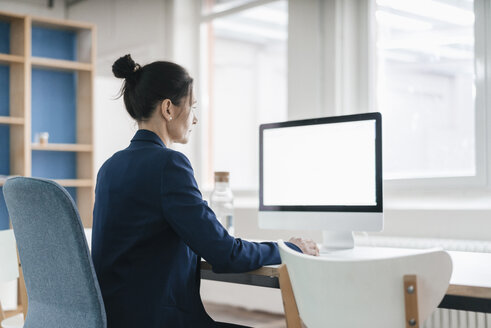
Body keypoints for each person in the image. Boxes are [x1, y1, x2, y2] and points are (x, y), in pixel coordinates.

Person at [91, 54, 319, 328]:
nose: (195, 119)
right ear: (168, 109)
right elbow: (224, 253)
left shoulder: (110, 167)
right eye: (193, 107)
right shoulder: (169, 164)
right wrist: (288, 248)